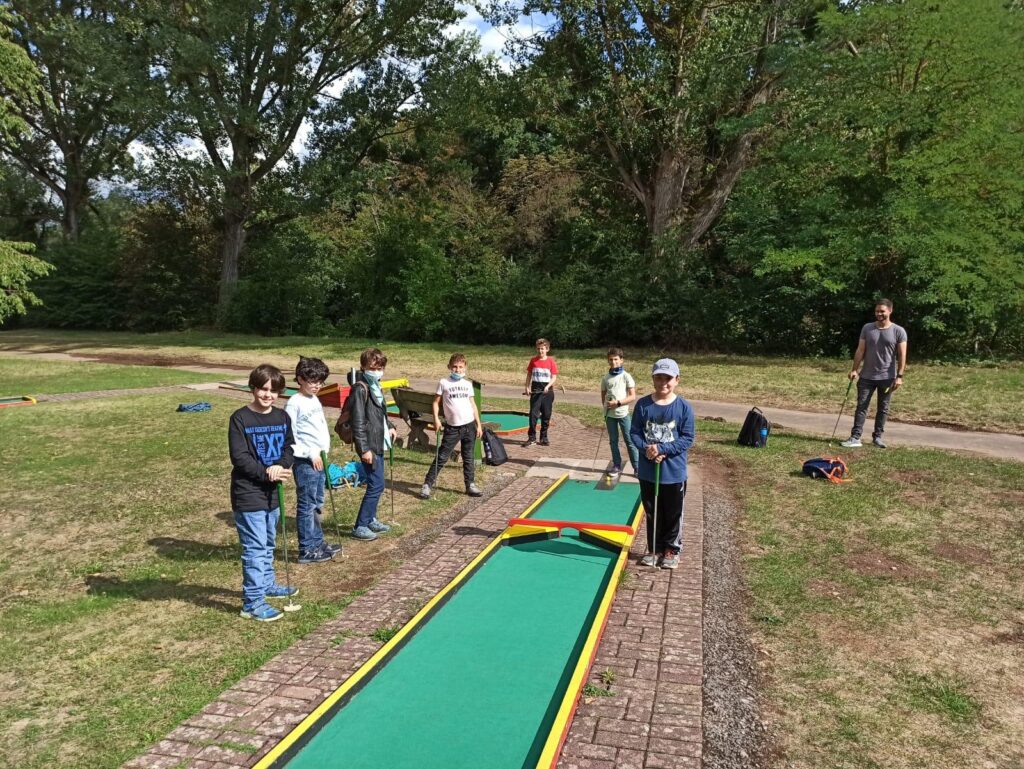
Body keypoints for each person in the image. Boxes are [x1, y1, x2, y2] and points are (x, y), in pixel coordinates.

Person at [228, 364, 297, 621]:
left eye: (274, 391)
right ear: (253, 388)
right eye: (263, 389)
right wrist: (266, 472)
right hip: (249, 493)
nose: (268, 395)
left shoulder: (282, 417)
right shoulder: (240, 418)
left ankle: (268, 584)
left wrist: (282, 465)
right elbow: (240, 457)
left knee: (268, 542)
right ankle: (252, 602)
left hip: (273, 492)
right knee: (255, 548)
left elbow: (289, 446)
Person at [630, 358, 695, 570]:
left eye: (667, 378)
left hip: (673, 472)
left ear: (676, 380)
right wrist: (647, 449)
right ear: (653, 379)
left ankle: (671, 549)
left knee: (673, 511)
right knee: (651, 510)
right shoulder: (643, 405)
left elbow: (687, 437)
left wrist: (662, 449)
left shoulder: (683, 407)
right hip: (649, 470)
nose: (663, 382)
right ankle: (654, 548)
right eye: (659, 377)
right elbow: (635, 433)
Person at [285, 356, 341, 564]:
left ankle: (317, 542)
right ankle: (307, 549)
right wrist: (311, 453)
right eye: (312, 381)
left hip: (320, 459)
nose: (317, 385)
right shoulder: (294, 403)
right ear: (300, 379)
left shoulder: (313, 399)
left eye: (320, 381)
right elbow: (291, 437)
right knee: (307, 505)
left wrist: (322, 450)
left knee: (317, 502)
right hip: (306, 462)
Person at [841, 298, 908, 449]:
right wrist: (854, 369)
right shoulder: (867, 328)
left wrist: (900, 376)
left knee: (883, 408)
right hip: (866, 377)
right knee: (861, 406)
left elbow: (902, 355)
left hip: (887, 378)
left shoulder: (898, 331)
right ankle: (855, 437)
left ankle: (877, 437)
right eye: (877, 311)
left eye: (882, 311)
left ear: (890, 311)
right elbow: (860, 350)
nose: (879, 314)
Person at [348, 347, 397, 541]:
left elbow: (381, 412)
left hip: (380, 441)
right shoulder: (360, 388)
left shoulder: (376, 384)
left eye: (380, 367)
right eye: (372, 367)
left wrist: (390, 425)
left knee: (378, 483)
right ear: (363, 367)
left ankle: (371, 518)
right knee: (376, 485)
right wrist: (364, 449)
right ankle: (360, 525)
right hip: (370, 444)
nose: (377, 370)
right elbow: (358, 421)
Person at [420, 353, 484, 500]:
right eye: (454, 367)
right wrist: (436, 419)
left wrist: (478, 425)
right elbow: (436, 402)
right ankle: (427, 484)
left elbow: (473, 405)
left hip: (469, 426)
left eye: (460, 367)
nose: (457, 370)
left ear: (465, 367)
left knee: (468, 457)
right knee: (442, 456)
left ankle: (470, 484)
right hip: (452, 428)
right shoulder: (444, 382)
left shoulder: (467, 384)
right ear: (449, 367)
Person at [600, 347, 640, 475]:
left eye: (616, 359)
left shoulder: (626, 376)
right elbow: (603, 394)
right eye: (611, 360)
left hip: (623, 414)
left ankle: (637, 467)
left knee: (630, 440)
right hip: (610, 415)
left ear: (621, 360)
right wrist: (606, 407)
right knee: (613, 441)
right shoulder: (606, 378)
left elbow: (632, 396)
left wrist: (617, 403)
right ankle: (616, 465)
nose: (613, 362)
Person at [522, 338, 558, 447]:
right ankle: (531, 438)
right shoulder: (533, 360)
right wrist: (527, 387)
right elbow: (529, 375)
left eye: (542, 349)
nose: (540, 351)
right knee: (533, 414)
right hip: (536, 391)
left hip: (548, 392)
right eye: (538, 349)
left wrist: (547, 386)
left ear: (547, 349)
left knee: (546, 415)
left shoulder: (551, 361)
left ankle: (544, 437)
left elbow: (554, 377)